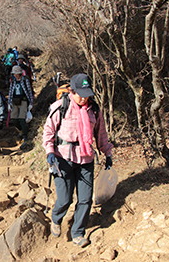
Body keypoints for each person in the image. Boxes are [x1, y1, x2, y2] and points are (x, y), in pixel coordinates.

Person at [42, 73, 113, 248]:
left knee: (85, 199)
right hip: (62, 158)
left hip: (86, 157)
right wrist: (50, 152)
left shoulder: (94, 110)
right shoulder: (60, 107)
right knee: (65, 199)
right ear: (71, 92)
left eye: (86, 93)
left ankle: (78, 232)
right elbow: (48, 132)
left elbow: (101, 134)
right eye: (80, 93)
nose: (83, 97)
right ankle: (56, 218)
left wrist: (107, 153)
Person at [8, 65, 33, 148]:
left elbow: (29, 91)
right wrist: (9, 103)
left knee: (22, 119)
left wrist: (31, 103)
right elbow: (10, 92)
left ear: (19, 73)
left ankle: (25, 136)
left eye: (16, 73)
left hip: (23, 101)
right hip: (15, 101)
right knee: (14, 119)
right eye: (14, 74)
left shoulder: (25, 80)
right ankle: (22, 130)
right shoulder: (13, 82)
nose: (15, 75)